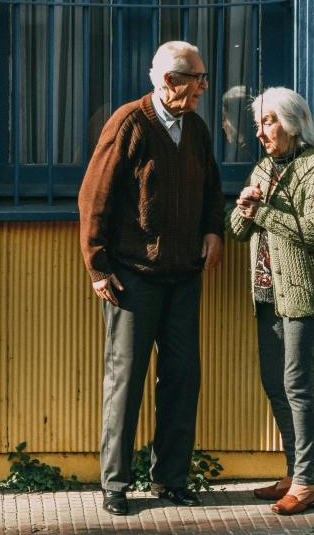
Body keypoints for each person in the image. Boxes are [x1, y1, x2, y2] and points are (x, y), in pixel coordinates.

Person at [78, 41, 225, 516]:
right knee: (127, 379)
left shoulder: (195, 128)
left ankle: (171, 479)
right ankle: (116, 484)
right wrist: (98, 266)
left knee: (183, 377)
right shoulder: (128, 123)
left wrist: (212, 231)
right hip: (132, 277)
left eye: (202, 78)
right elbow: (94, 197)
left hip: (183, 274)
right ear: (171, 81)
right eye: (198, 78)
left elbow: (211, 187)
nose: (204, 87)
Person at [228, 87, 314, 515]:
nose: (260, 132)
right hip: (265, 293)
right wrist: (244, 206)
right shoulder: (262, 168)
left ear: (291, 123)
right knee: (274, 384)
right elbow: (238, 230)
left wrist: (265, 213)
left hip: (301, 294)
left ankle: (309, 482)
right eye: (258, 124)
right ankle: (294, 473)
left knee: (297, 385)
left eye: (268, 122)